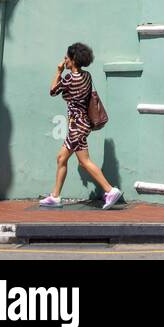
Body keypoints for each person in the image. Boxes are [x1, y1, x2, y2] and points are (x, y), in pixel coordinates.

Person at [39, 42, 122, 209]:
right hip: (82, 124)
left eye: (66, 58)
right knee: (61, 158)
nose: (64, 60)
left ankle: (110, 190)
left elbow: (53, 90)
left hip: (77, 125)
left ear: (73, 59)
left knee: (84, 162)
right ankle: (55, 196)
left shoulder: (70, 78)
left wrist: (58, 71)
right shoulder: (87, 76)